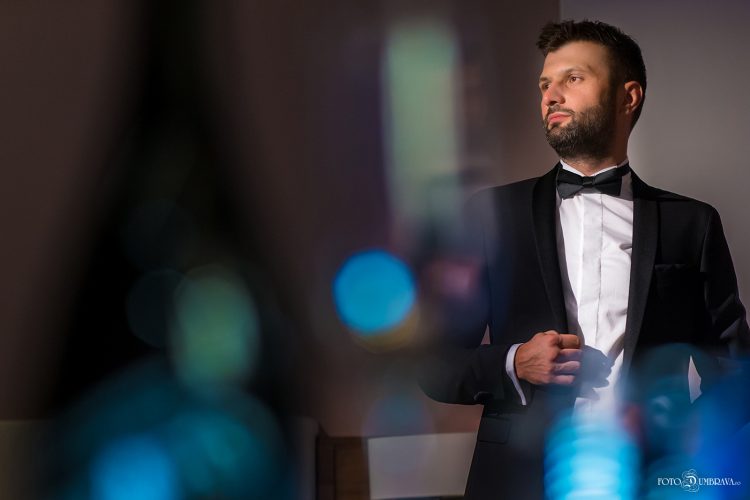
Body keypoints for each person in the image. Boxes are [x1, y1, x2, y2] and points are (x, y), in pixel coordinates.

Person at [418, 19, 750, 499]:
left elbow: (737, 369)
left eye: (573, 78)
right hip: (518, 479)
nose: (551, 96)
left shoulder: (692, 223)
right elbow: (435, 365)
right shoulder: (490, 216)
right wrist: (514, 362)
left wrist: (678, 434)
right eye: (544, 85)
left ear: (627, 97)